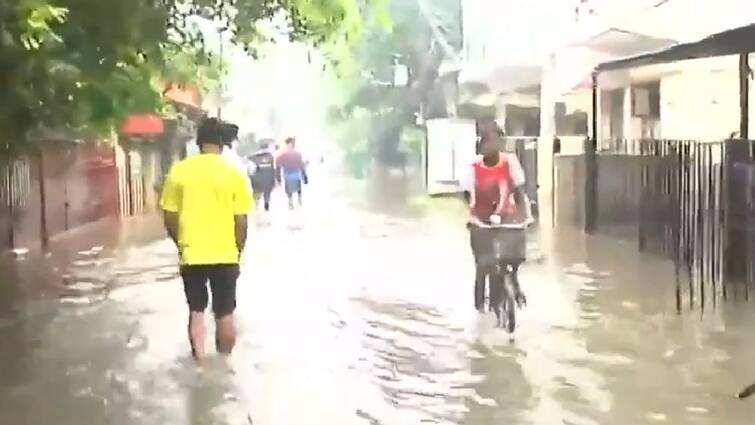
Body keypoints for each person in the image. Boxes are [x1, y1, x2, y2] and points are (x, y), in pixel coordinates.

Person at [160, 117, 253, 361]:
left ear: (198, 142)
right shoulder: (235, 174)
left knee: (197, 311)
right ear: (222, 144)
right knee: (225, 313)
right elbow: (241, 221)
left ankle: (200, 367)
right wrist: (237, 250)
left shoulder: (179, 171)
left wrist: (180, 242)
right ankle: (225, 365)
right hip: (225, 254)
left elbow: (169, 216)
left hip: (192, 254)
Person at [467, 121, 532, 314]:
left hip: (506, 218)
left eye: (498, 139)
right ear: (483, 144)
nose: (495, 145)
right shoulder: (474, 167)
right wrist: (472, 218)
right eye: (490, 141)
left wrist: (526, 217)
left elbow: (520, 193)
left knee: (511, 257)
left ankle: (513, 287)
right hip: (481, 221)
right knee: (482, 265)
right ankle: (479, 310)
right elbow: (469, 197)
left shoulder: (510, 162)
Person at [276, 137, 308, 209]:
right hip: (295, 174)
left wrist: (278, 179)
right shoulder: (297, 154)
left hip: (288, 174)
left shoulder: (282, 154)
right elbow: (302, 166)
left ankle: (290, 200)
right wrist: (304, 177)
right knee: (298, 184)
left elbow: (278, 166)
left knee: (288, 187)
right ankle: (299, 198)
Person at [248, 141, 276, 212]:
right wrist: (275, 180)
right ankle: (266, 207)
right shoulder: (271, 157)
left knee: (256, 194)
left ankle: (256, 207)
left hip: (257, 180)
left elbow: (250, 170)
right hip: (268, 179)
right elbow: (273, 169)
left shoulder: (252, 157)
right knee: (267, 193)